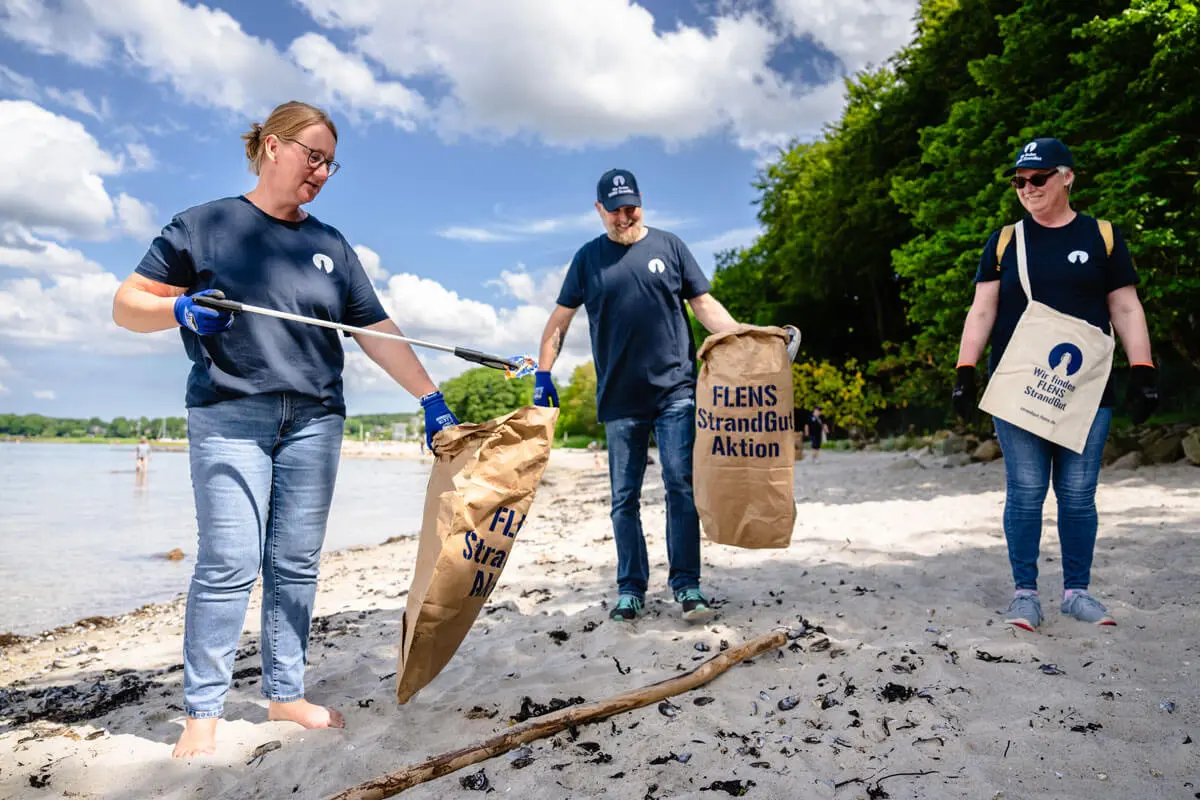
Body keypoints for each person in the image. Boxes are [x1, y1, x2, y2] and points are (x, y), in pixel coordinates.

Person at [112, 101, 459, 758]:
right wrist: (181, 309)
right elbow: (128, 305)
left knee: (295, 563)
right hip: (229, 414)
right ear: (272, 146)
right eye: (313, 155)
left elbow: (376, 331)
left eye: (330, 163)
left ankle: (285, 692)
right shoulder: (203, 225)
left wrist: (430, 398)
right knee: (229, 562)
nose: (322, 172)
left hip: (315, 422)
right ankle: (203, 712)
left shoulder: (329, 245)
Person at [952, 137, 1158, 632]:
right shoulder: (1005, 241)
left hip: (1087, 387)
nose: (1027, 188)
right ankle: (1025, 594)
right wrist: (965, 370)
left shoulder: (1102, 236)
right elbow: (983, 307)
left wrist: (1143, 368)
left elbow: (1125, 306)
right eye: (1019, 181)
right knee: (1024, 492)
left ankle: (1076, 592)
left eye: (1038, 178)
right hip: (1019, 386)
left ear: (1067, 176)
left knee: (1079, 493)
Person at [532, 168, 747, 624]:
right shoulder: (588, 259)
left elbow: (704, 304)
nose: (624, 218)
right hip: (619, 400)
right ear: (599, 211)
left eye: (631, 208)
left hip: (675, 390)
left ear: (641, 203)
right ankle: (631, 589)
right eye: (615, 211)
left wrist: (744, 338)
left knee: (680, 486)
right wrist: (544, 374)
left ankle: (687, 585)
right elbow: (559, 320)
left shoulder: (670, 247)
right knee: (623, 499)